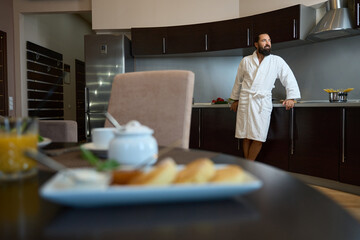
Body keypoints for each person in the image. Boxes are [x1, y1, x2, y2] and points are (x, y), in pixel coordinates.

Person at [230, 33, 300, 161]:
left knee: (258, 137)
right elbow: (238, 81)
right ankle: (248, 166)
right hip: (246, 100)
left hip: (262, 102)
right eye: (264, 40)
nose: (268, 43)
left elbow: (288, 78)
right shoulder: (245, 61)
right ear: (256, 44)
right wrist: (235, 99)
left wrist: (291, 97)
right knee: (245, 136)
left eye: (269, 40)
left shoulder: (276, 61)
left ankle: (248, 166)